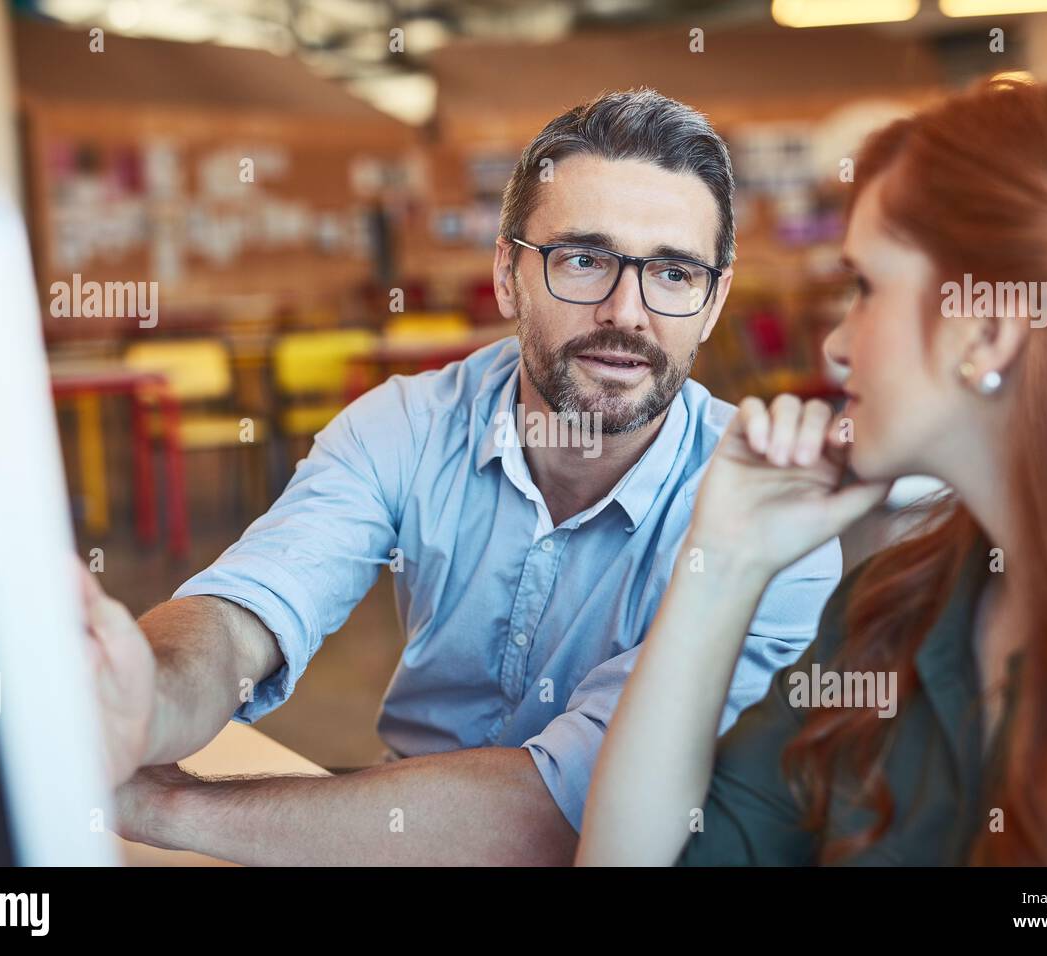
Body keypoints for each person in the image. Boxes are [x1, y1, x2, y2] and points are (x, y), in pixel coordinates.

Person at [84, 88, 842, 865]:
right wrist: (141, 696)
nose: (628, 311)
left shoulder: (770, 519)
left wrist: (165, 805)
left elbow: (559, 818)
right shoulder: (409, 425)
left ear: (713, 303)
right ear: (509, 275)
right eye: (583, 259)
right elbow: (245, 616)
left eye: (674, 274)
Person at [578, 78, 1047, 866]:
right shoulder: (890, 608)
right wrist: (723, 564)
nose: (835, 346)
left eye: (865, 289)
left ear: (991, 330)